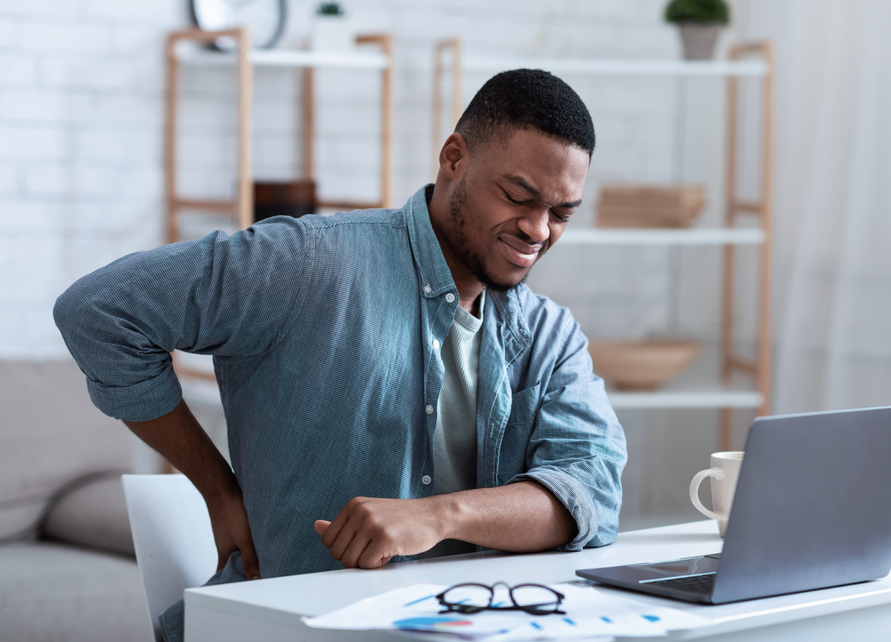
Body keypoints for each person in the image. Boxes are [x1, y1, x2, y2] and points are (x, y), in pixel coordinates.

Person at [54, 68, 627, 641]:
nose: (537, 230)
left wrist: (436, 515)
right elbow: (99, 311)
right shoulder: (308, 263)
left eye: (562, 213)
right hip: (288, 628)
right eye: (519, 197)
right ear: (454, 158)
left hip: (467, 625)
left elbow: (591, 489)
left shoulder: (550, 336)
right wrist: (217, 487)